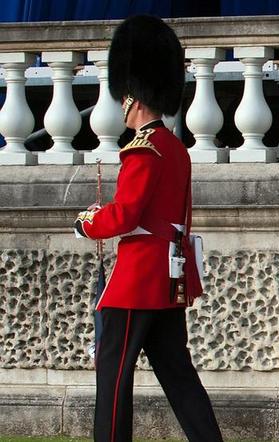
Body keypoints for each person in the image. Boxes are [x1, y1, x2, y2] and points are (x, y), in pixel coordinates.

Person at [73, 15, 222, 442]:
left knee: (113, 374)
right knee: (178, 375)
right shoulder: (175, 149)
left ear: (132, 96)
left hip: (137, 279)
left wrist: (87, 223)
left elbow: (125, 215)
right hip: (169, 278)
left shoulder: (142, 150)